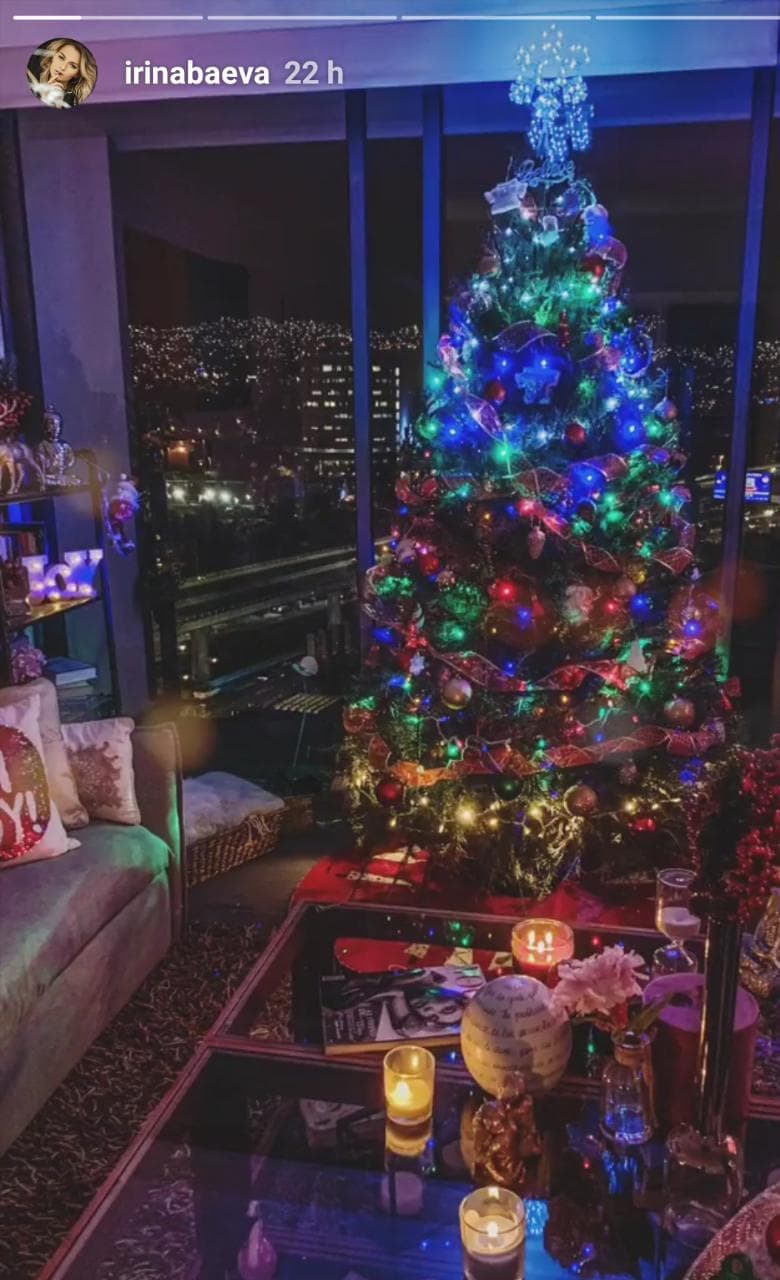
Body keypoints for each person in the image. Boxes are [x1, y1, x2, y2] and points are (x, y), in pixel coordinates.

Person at [27, 39, 97, 109]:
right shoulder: (32, 82)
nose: (63, 67)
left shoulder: (70, 100)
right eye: (61, 57)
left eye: (72, 66)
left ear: (77, 74)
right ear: (52, 57)